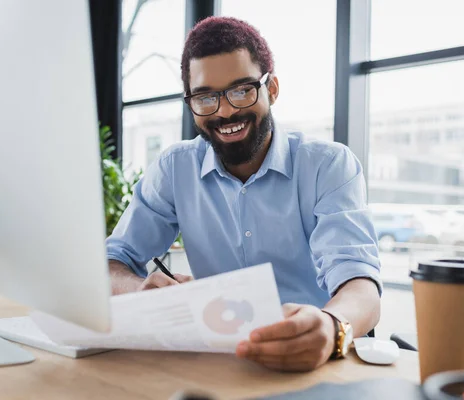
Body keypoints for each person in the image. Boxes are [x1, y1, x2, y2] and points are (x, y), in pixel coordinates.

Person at [106, 16, 382, 372]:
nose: (225, 111)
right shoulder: (176, 168)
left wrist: (332, 327)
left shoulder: (327, 165)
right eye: (206, 97)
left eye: (241, 90)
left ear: (273, 89)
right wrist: (140, 289)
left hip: (317, 363)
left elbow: (362, 284)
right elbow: (112, 262)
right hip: (223, 361)